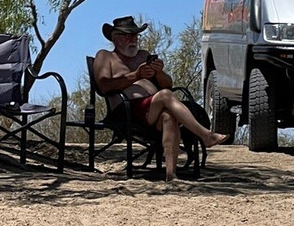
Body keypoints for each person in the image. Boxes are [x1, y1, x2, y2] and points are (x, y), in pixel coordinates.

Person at [94, 15, 228, 181]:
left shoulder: (143, 56)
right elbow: (104, 86)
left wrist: (158, 73)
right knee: (165, 95)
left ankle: (171, 174)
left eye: (135, 36)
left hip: (151, 108)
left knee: (168, 116)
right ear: (115, 38)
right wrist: (135, 75)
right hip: (126, 110)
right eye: (127, 36)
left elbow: (167, 85)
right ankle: (205, 135)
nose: (133, 40)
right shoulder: (105, 56)